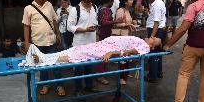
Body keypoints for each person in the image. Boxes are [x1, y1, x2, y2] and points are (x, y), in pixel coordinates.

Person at [22, 0, 65, 96]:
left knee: (55, 64)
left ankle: (59, 85)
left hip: (51, 41)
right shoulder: (28, 8)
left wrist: (58, 34)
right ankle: (45, 85)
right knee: (42, 66)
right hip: (37, 43)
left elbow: (54, 20)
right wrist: (26, 42)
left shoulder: (49, 5)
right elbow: (26, 26)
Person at [23, 36, 162, 67]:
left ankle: (43, 59)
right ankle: (44, 57)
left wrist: (113, 53)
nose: (152, 37)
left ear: (153, 46)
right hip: (103, 45)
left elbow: (131, 52)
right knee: (77, 50)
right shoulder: (143, 41)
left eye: (154, 39)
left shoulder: (146, 47)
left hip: (107, 50)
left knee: (78, 54)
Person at [67, 0, 98, 96]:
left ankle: (89, 87)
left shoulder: (95, 7)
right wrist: (85, 30)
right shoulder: (75, 10)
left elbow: (95, 23)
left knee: (90, 67)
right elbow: (69, 27)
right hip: (79, 45)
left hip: (91, 44)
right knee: (79, 68)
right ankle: (78, 90)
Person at [96, 0, 122, 85]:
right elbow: (104, 22)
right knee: (103, 54)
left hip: (104, 34)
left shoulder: (101, 9)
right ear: (110, 1)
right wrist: (116, 21)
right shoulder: (105, 10)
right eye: (112, 2)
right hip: (104, 35)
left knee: (104, 54)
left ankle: (101, 73)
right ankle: (100, 75)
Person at [113, 0, 137, 85]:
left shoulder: (128, 10)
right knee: (122, 56)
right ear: (125, 2)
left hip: (127, 37)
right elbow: (117, 24)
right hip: (122, 37)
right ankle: (121, 77)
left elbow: (128, 21)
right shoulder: (120, 10)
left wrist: (133, 22)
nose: (132, 1)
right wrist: (128, 25)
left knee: (127, 55)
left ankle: (125, 73)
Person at [145, 0, 166, 83]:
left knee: (153, 53)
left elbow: (156, 22)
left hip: (155, 30)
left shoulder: (157, 5)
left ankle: (152, 76)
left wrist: (152, 37)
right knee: (158, 53)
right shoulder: (157, 3)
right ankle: (158, 72)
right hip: (158, 30)